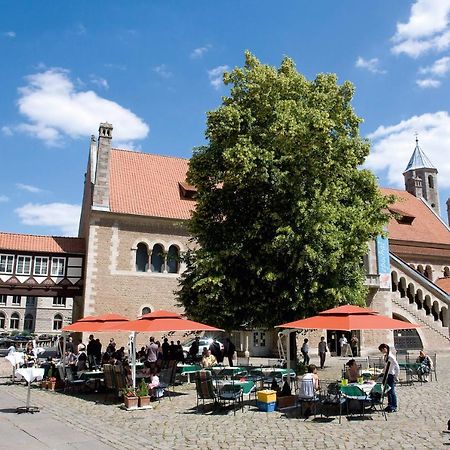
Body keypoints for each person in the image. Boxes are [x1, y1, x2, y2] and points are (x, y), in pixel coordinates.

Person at [379, 343, 400, 413]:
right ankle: (390, 404)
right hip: (387, 375)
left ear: (385, 349)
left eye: (382, 350)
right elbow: (386, 366)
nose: (381, 352)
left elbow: (397, 367)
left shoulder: (391, 357)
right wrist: (382, 372)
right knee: (388, 391)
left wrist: (396, 376)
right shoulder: (386, 356)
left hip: (391, 375)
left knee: (392, 391)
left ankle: (394, 406)